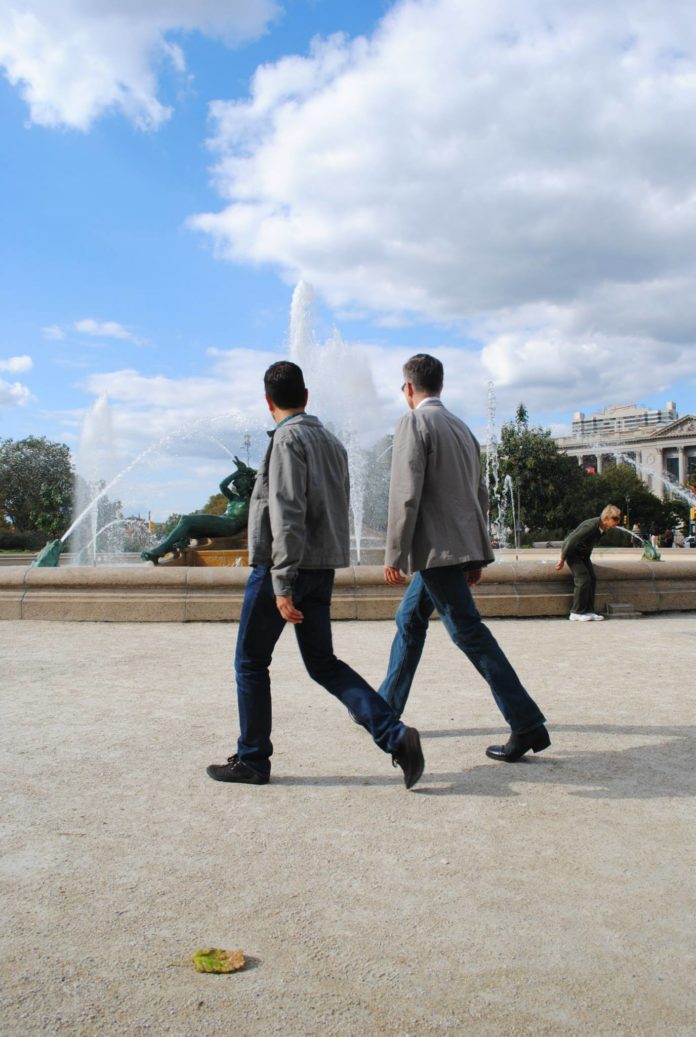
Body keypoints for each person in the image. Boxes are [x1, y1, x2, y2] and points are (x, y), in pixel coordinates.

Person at [207, 361, 424, 789]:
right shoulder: (332, 442)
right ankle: (395, 735)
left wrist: (281, 582)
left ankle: (253, 759)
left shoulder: (287, 440)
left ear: (267, 401)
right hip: (321, 567)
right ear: (305, 396)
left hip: (285, 568)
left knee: (250, 662)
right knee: (323, 663)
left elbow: (287, 512)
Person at [378, 353, 549, 763]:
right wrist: (476, 554)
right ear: (440, 385)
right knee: (410, 619)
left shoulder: (413, 422)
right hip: (456, 548)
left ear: (408, 388)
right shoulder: (462, 427)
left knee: (469, 633)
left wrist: (395, 551)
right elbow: (480, 496)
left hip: (434, 552)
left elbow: (405, 493)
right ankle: (384, 705)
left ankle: (526, 723)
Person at [141, 458, 256, 563]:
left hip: (230, 526)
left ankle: (159, 551)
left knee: (187, 520)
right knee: (188, 527)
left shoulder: (254, 499)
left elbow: (263, 480)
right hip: (223, 521)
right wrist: (238, 472)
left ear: (248, 484)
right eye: (237, 483)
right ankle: (166, 550)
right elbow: (222, 485)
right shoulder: (234, 498)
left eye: (240, 482)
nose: (236, 485)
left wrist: (251, 472)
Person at [554, 505, 622, 620]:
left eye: (618, 518)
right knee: (583, 578)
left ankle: (589, 611)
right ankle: (576, 612)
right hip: (573, 553)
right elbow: (571, 540)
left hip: (583, 556)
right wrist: (562, 559)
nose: (618, 521)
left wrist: (586, 558)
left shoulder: (602, 528)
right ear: (606, 518)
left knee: (592, 579)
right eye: (615, 519)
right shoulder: (591, 526)